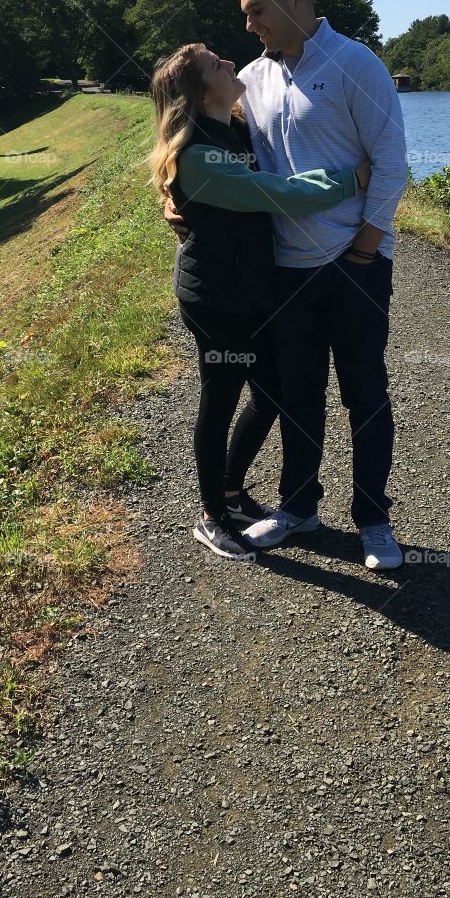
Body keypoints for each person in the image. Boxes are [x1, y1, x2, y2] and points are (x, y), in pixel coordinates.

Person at [165, 0, 408, 569]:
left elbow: (391, 160)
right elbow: (206, 147)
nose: (248, 27)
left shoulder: (356, 64)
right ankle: (299, 508)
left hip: (353, 266)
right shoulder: (254, 80)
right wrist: (174, 192)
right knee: (298, 396)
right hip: (283, 274)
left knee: (365, 395)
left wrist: (365, 248)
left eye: (255, 12)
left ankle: (374, 522)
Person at [149, 42, 371, 563]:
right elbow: (280, 192)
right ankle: (212, 516)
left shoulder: (235, 127)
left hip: (251, 291)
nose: (230, 61)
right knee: (220, 398)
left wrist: (170, 199)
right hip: (216, 298)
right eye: (215, 63)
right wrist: (354, 178)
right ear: (200, 91)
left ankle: (229, 489)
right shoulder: (201, 155)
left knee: (271, 393)